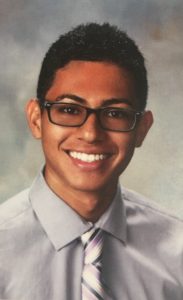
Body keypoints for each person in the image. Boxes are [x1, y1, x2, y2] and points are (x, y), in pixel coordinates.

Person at [0, 23, 182, 300]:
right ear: (36, 119)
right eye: (69, 110)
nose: (91, 133)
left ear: (142, 129)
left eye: (115, 114)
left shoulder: (177, 252)